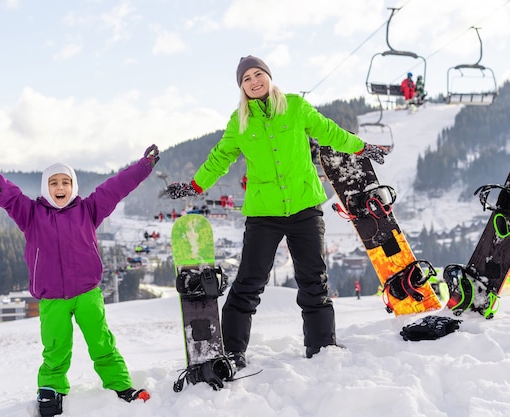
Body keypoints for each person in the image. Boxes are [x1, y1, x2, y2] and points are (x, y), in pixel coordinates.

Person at [162, 55, 388, 366]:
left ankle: (321, 347)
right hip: (264, 214)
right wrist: (195, 186)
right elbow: (219, 158)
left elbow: (329, 131)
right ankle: (232, 351)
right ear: (242, 87)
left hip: (305, 207)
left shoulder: (294, 106)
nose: (254, 81)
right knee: (249, 283)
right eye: (247, 79)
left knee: (313, 280)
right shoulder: (239, 122)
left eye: (258, 74)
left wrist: (363, 148)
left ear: (269, 76)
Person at [0, 143, 159, 416]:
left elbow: (116, 187)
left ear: (73, 186)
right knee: (55, 347)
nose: (59, 187)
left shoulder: (89, 209)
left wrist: (143, 166)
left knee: (102, 343)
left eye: (65, 182)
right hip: (52, 298)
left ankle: (120, 385)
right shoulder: (30, 214)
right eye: (53, 183)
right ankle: (51, 389)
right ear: (44, 187)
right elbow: (3, 191)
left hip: (87, 293)